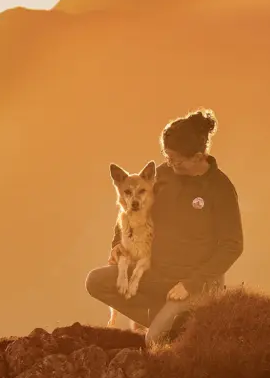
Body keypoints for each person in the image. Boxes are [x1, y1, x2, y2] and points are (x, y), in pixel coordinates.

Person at [85, 108, 244, 345]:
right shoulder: (162, 175)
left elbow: (233, 246)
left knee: (155, 340)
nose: (169, 163)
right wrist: (117, 244)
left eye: (176, 159)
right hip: (156, 274)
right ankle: (174, 321)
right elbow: (129, 210)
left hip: (195, 284)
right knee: (96, 282)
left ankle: (186, 321)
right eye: (167, 156)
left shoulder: (220, 188)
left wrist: (190, 284)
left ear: (199, 157)